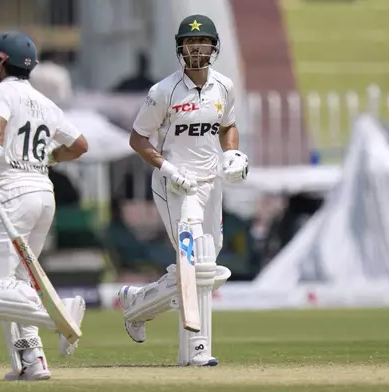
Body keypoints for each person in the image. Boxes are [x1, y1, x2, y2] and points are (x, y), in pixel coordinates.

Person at [117, 15, 249, 367]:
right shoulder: (163, 92)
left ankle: (138, 302)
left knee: (209, 262)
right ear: (180, 47)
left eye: (202, 42)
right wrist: (167, 168)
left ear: (213, 46)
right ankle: (196, 350)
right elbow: (137, 138)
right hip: (174, 183)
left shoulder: (224, 87)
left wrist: (232, 152)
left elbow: (228, 125)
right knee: (194, 262)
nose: (196, 48)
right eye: (190, 43)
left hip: (210, 182)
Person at [0, 31, 89, 381]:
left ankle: (59, 318)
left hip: (12, 192)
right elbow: (79, 145)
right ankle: (32, 362)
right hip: (43, 194)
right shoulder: (45, 102)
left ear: (4, 62)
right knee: (18, 281)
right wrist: (51, 157)